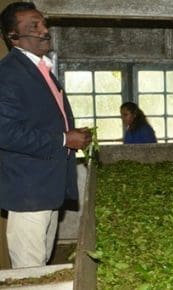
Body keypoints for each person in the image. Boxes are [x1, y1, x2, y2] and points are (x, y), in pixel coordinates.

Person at [0, 2, 92, 268]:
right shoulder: (8, 74)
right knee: (30, 271)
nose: (44, 30)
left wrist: (73, 134)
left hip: (46, 189)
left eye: (43, 23)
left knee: (41, 263)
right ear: (13, 37)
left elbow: (44, 120)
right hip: (28, 191)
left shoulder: (41, 70)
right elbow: (5, 132)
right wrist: (64, 139)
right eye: (34, 26)